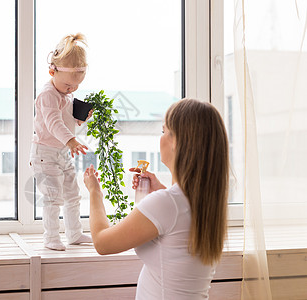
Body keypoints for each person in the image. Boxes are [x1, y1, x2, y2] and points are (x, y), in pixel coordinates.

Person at [84, 99, 229, 299]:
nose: (160, 138)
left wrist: (94, 192)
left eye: (164, 132)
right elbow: (178, 218)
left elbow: (102, 242)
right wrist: (160, 189)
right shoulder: (208, 203)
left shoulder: (167, 203)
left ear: (178, 142)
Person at [30, 33, 93, 251]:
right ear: (52, 72)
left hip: (62, 152)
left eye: (76, 86)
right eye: (68, 85)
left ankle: (75, 233)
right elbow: (53, 122)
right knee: (52, 197)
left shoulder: (66, 95)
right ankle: (51, 237)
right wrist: (71, 140)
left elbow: (66, 123)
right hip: (45, 153)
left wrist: (80, 120)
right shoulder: (48, 95)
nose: (71, 90)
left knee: (72, 194)